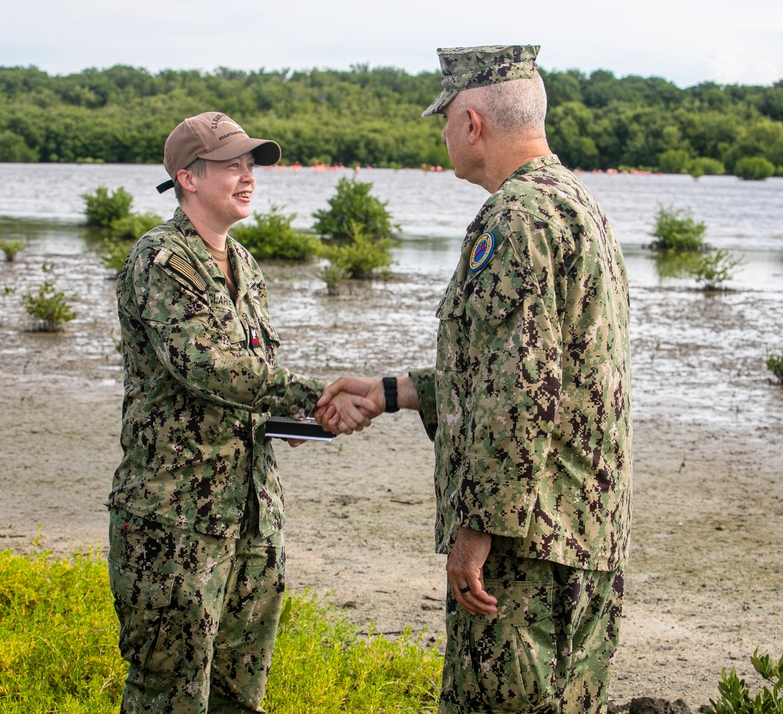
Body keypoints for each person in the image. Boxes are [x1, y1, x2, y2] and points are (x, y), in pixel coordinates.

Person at [318, 45, 632, 714]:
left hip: (530, 549)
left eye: (444, 120)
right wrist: (392, 392)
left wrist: (477, 528)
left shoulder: (516, 219)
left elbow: (518, 394)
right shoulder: (575, 203)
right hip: (580, 535)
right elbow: (533, 373)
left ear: (471, 122)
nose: (442, 136)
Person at [107, 111, 368, 714]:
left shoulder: (244, 263)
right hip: (175, 522)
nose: (248, 177)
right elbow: (208, 368)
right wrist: (316, 395)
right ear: (188, 178)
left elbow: (247, 388)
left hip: (252, 514)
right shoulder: (161, 260)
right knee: (168, 693)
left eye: (251, 166)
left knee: (239, 693)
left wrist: (301, 424)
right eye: (233, 167)